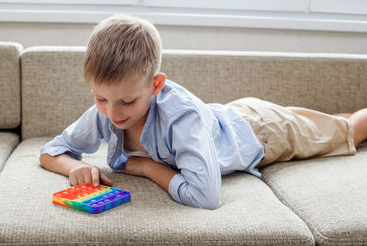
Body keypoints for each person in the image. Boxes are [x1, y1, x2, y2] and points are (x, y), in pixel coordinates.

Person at [40, 14, 367, 210]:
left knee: (350, 131)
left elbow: (206, 197)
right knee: (330, 124)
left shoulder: (181, 120)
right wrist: (73, 168)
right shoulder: (110, 108)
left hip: (263, 131)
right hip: (231, 117)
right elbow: (50, 152)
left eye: (126, 102)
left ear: (156, 86)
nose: (112, 113)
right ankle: (330, 121)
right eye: (100, 99)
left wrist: (148, 168)